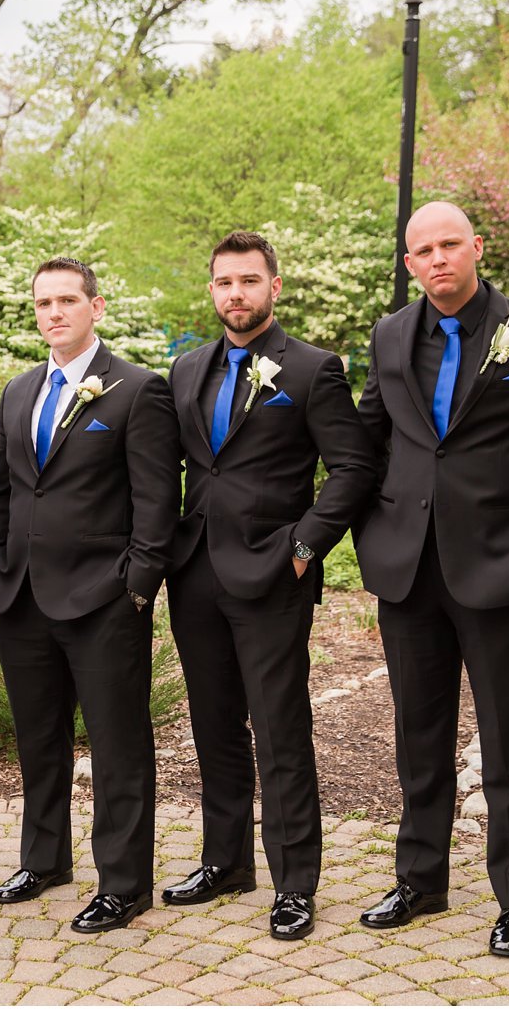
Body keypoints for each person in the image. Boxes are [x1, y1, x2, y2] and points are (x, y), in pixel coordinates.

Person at [354, 201, 509, 957]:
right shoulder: (391, 335)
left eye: (449, 245)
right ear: (408, 263)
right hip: (406, 567)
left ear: (476, 248)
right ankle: (421, 880)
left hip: (497, 566)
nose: (437, 259)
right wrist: (364, 530)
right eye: (422, 249)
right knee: (418, 735)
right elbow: (367, 441)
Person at [163, 232, 376, 939]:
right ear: (212, 290)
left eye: (249, 281)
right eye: (224, 282)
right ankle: (225, 862)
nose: (236, 294)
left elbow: (352, 469)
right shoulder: (187, 369)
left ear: (274, 287)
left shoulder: (314, 370)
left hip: (273, 575)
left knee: (281, 731)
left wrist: (305, 546)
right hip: (195, 575)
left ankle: (294, 883)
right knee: (214, 726)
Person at [0, 257, 181, 933]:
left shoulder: (136, 390)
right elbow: (5, 491)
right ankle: (44, 861)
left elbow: (157, 500)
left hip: (103, 601)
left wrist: (137, 588)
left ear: (96, 307)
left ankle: (123, 884)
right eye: (43, 302)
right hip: (23, 598)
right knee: (39, 740)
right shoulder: (18, 392)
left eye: (68, 299)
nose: (55, 312)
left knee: (119, 745)